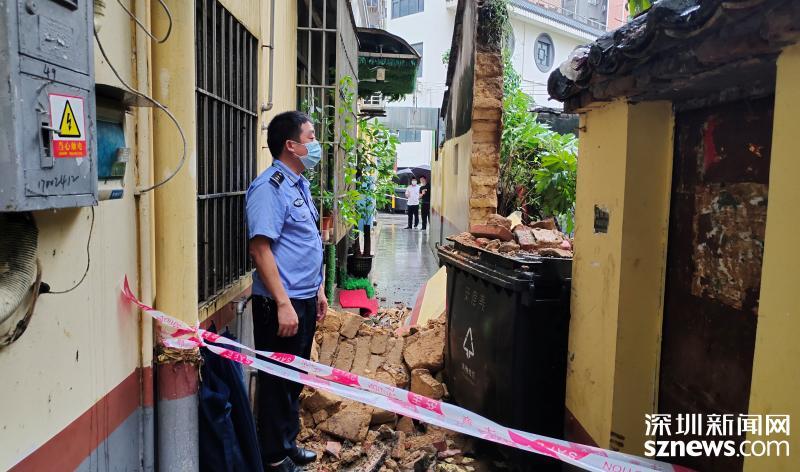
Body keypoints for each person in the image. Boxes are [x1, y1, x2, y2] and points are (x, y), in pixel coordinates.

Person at [246, 111, 328, 472]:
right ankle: (274, 457)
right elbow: (260, 249)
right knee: (277, 381)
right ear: (291, 146)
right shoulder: (269, 188)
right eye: (311, 137)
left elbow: (305, 243)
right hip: (281, 302)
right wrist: (283, 303)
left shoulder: (299, 185)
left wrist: (319, 290)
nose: (316, 144)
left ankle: (287, 443)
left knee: (294, 378)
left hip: (304, 298)